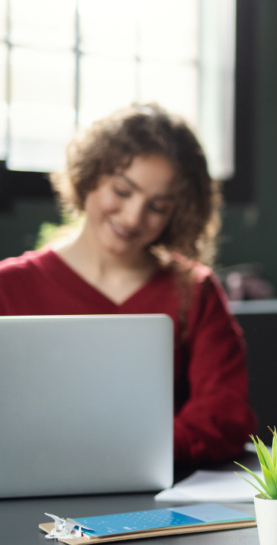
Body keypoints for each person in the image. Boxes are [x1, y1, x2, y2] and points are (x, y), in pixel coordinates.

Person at [0, 103, 257, 465]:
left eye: (158, 206)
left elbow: (224, 414)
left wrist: (130, 455)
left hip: (164, 498)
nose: (133, 216)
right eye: (122, 191)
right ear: (90, 177)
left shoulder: (195, 290)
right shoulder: (8, 287)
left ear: (177, 213)